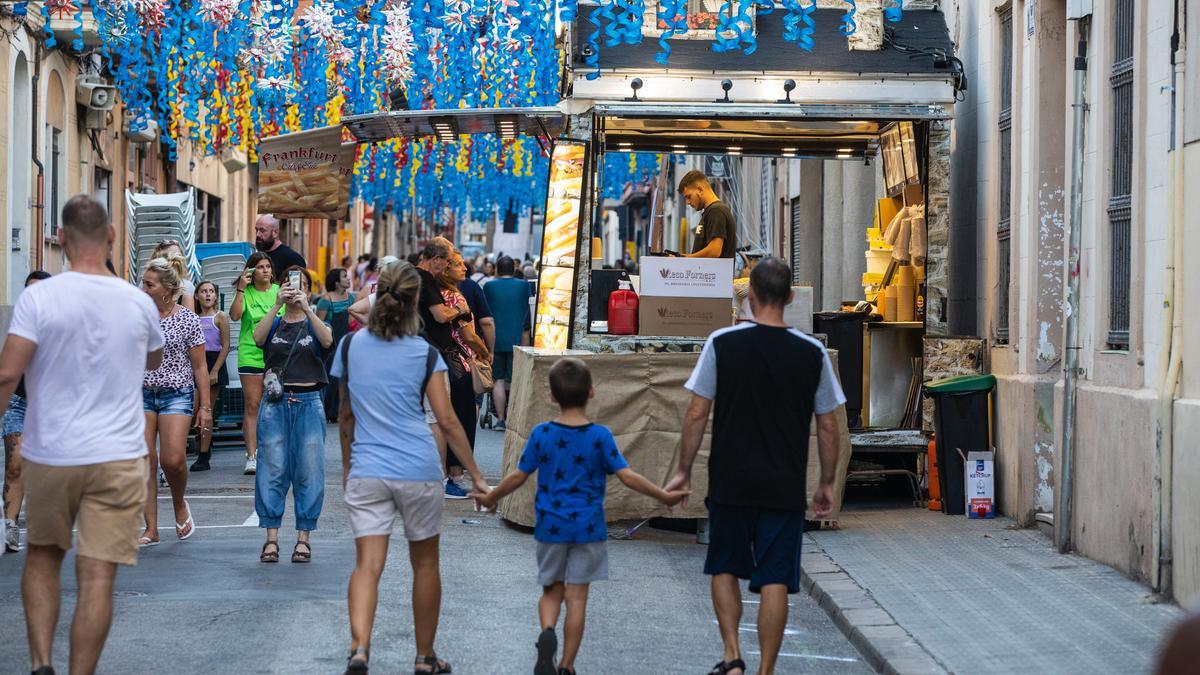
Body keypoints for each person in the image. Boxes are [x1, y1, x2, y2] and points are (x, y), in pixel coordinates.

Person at [0, 194, 163, 675]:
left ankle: (41, 664)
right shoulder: (138, 302)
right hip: (119, 455)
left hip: (52, 452)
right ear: (111, 236)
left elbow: (8, 374)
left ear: (60, 240)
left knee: (43, 557)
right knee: (97, 578)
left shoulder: (38, 297)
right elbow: (152, 360)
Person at [664, 256, 845, 675]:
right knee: (776, 577)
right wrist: (828, 482)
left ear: (753, 295)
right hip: (784, 482)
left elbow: (695, 413)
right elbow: (830, 425)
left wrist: (683, 470)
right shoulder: (812, 353)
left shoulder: (722, 343)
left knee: (725, 564)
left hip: (730, 478)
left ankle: (732, 657)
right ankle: (765, 670)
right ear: (790, 297)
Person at [473, 358, 688, 675]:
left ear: (551, 396)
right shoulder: (600, 436)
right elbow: (628, 476)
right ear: (591, 392)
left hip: (550, 526)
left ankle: (547, 632)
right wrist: (663, 494)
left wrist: (491, 496)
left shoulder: (542, 434)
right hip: (588, 527)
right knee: (577, 599)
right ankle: (567, 665)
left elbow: (519, 476)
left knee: (551, 592)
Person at [334, 260, 490, 675]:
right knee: (424, 564)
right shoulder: (426, 354)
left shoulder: (351, 348)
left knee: (368, 564)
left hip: (368, 467)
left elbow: (346, 417)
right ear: (416, 301)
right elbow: (448, 421)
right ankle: (424, 657)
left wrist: (349, 468)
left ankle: (360, 649)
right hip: (418, 469)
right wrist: (475, 475)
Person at [252, 265, 333, 564]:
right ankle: (271, 539)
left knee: (309, 471)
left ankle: (303, 538)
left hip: (309, 401)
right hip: (275, 403)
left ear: (308, 289)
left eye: (298, 284)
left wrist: (308, 308)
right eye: (287, 283)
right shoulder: (275, 321)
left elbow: (327, 342)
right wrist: (276, 304)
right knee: (271, 469)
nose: (292, 287)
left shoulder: (314, 321)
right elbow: (258, 339)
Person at [138, 256, 212, 546]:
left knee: (174, 460)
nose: (143, 289)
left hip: (176, 394)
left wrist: (205, 407)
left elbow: (200, 367)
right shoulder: (138, 316)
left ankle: (179, 502)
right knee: (145, 460)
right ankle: (151, 529)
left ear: (167, 289)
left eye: (148, 284)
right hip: (141, 393)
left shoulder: (188, 320)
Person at [2, 270, 51, 553]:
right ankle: (10, 525)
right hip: (18, 401)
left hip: (51, 406)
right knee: (16, 464)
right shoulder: (19, 323)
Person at [437, 252, 490, 499]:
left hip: (439, 362)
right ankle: (454, 477)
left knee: (438, 420)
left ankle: (442, 475)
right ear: (447, 269)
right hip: (459, 363)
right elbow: (468, 334)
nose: (465, 269)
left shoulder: (434, 295)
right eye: (459, 265)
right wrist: (484, 352)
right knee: (463, 419)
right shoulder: (454, 296)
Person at [230, 252, 280, 475]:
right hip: (250, 354)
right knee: (253, 405)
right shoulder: (246, 293)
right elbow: (234, 315)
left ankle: (271, 451)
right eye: (260, 267)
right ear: (251, 272)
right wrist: (241, 288)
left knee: (275, 406)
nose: (266, 270)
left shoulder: (279, 292)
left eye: (268, 266)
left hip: (275, 355)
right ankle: (251, 456)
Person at [482, 256, 531, 430]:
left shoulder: (489, 286)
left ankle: (500, 419)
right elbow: (528, 309)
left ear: (496, 269)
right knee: (514, 379)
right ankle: (513, 418)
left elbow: (484, 313)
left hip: (495, 339)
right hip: (518, 338)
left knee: (498, 381)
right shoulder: (524, 286)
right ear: (514, 269)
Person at [192, 280, 230, 472]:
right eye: (203, 291)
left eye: (211, 291)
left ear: (216, 296)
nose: (207, 294)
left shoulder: (220, 317)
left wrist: (215, 370)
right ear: (197, 296)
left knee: (205, 409)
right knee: (193, 410)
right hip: (196, 363)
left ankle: (203, 455)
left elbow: (226, 346)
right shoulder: (193, 317)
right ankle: (202, 442)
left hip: (213, 362)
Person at [318, 267, 357, 423]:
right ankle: (328, 412)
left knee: (344, 377)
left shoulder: (351, 298)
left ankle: (339, 411)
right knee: (331, 377)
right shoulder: (326, 300)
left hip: (346, 341)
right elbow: (319, 323)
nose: (348, 279)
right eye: (344, 276)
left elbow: (352, 322)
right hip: (330, 343)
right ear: (336, 282)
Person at [677, 170, 736, 259]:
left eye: (689, 196)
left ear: (700, 189)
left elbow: (714, 251)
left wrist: (687, 258)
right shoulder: (711, 211)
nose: (687, 202)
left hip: (716, 273)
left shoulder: (716, 211)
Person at [457, 258, 495, 361]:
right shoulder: (471, 286)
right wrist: (489, 352)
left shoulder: (433, 286)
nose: (464, 268)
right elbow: (486, 322)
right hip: (471, 352)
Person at [254, 214, 307, 282]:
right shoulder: (255, 255)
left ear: (275, 233)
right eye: (256, 230)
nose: (258, 234)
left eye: (262, 230)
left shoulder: (293, 259)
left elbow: (298, 288)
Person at [150, 239, 195, 307]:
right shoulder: (148, 282)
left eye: (178, 255)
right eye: (171, 255)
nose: (175, 259)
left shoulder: (187, 286)